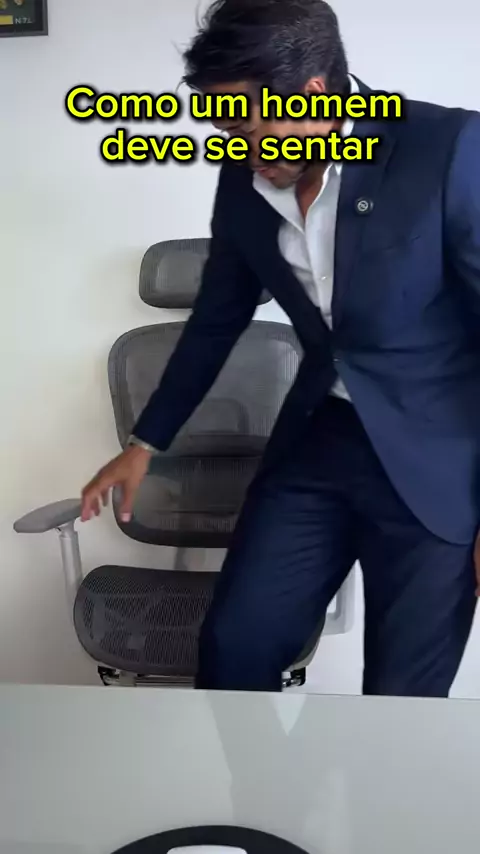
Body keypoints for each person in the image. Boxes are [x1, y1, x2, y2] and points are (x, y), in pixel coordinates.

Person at [81, 0, 480, 697]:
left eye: (245, 128)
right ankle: (253, 777)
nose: (235, 148)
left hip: (439, 459)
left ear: (312, 94)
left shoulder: (446, 149)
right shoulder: (244, 174)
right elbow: (217, 317)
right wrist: (145, 442)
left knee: (403, 699)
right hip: (319, 441)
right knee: (235, 646)